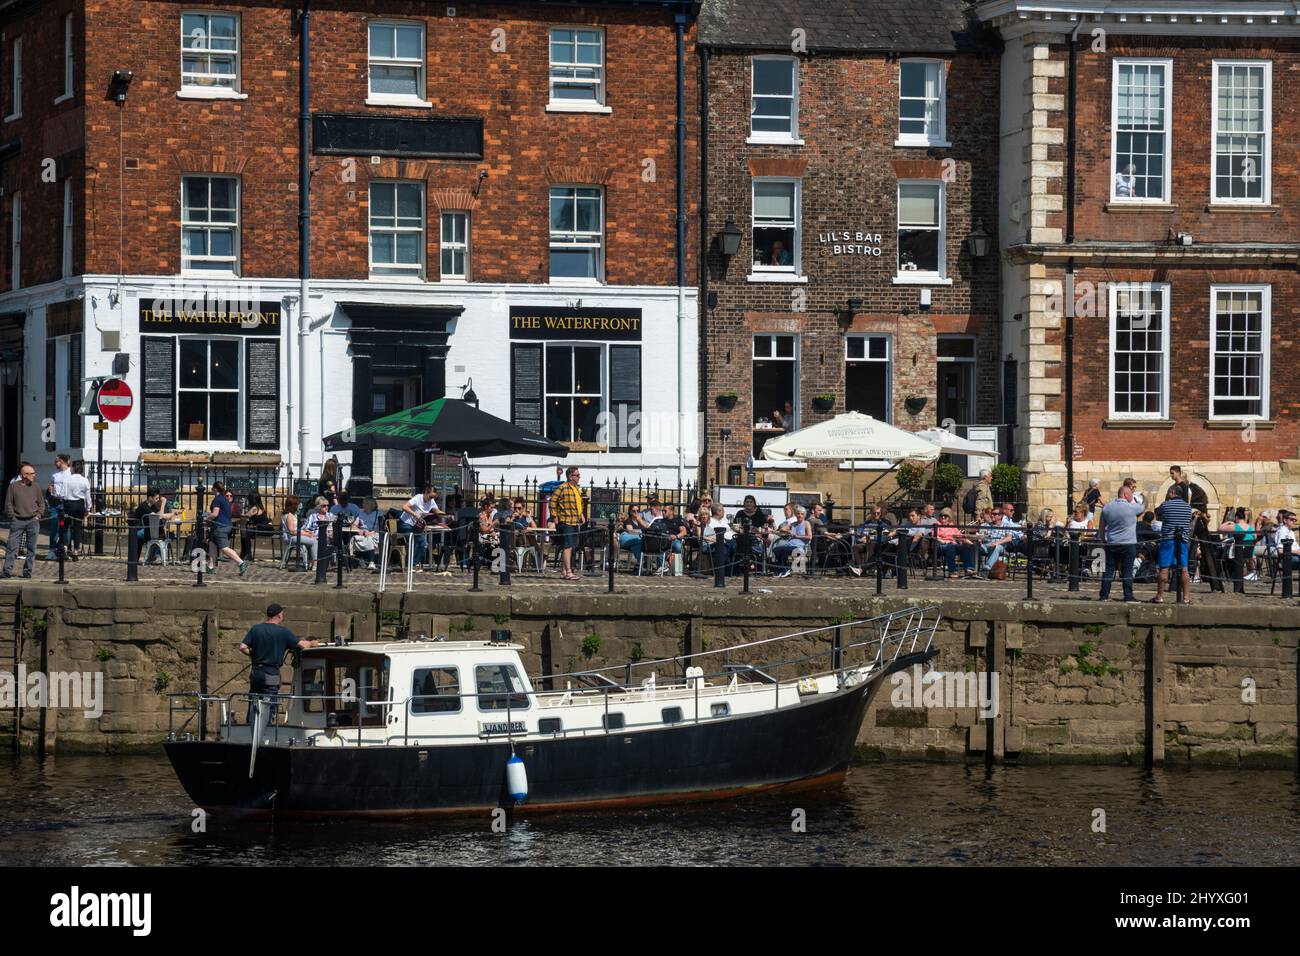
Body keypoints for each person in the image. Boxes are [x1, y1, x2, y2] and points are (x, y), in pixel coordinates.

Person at [237, 604, 321, 725]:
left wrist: (253, 656)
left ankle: (251, 725)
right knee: (270, 702)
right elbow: (302, 645)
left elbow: (242, 647)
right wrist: (312, 643)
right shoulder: (283, 632)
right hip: (271, 672)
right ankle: (268, 728)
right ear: (279, 615)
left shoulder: (256, 629)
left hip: (256, 671)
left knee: (254, 699)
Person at [1098, 483, 1144, 602]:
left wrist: (1103, 540)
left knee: (1108, 570)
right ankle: (1128, 596)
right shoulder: (1131, 507)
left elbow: (1102, 527)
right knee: (1127, 570)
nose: (1131, 497)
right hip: (1128, 544)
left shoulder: (1107, 507)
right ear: (1125, 494)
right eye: (1130, 494)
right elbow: (1144, 506)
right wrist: (1145, 497)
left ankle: (1104, 595)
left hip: (1112, 543)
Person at [3, 463, 44, 579]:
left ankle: (27, 571)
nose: (34, 475)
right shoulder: (13, 486)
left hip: (33, 520)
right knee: (12, 547)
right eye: (31, 473)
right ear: (24, 475)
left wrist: (38, 515)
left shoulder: (36, 486)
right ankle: (7, 571)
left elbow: (41, 503)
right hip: (17, 521)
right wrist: (13, 516)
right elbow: (8, 503)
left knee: (31, 548)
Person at [1154, 485, 1193, 604]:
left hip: (1168, 538)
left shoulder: (1165, 505)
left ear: (1172, 492)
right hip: (1183, 539)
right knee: (1184, 569)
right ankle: (1186, 597)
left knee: (1164, 568)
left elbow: (1158, 514)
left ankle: (1160, 596)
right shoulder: (1188, 507)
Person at [549, 466, 585, 580]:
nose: (579, 477)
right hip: (565, 521)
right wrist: (554, 516)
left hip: (574, 521)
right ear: (570, 476)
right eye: (577, 475)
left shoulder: (576, 489)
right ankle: (569, 572)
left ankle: (564, 571)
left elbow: (579, 503)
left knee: (571, 546)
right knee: (567, 546)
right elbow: (552, 501)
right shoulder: (562, 488)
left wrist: (581, 515)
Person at [400, 484, 443, 570]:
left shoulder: (431, 501)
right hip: (406, 524)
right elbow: (404, 507)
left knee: (424, 545)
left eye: (433, 497)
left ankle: (412, 564)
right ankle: (408, 564)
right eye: (431, 496)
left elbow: (437, 511)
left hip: (418, 526)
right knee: (414, 542)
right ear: (426, 492)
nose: (431, 499)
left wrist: (446, 515)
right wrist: (415, 514)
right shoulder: (417, 498)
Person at [207, 482, 247, 575]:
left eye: (212, 489)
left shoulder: (217, 499)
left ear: (215, 489)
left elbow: (215, 514)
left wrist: (206, 518)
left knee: (224, 548)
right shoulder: (224, 499)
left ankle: (241, 562)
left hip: (220, 526)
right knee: (212, 544)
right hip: (224, 525)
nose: (212, 490)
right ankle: (211, 567)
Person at [62, 461, 92, 559]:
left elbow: (63, 494)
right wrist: (88, 508)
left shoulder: (67, 479)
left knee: (65, 527)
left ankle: (65, 549)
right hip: (79, 505)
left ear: (73, 469)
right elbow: (88, 497)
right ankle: (75, 552)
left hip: (69, 504)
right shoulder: (85, 480)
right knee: (77, 528)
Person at [934, 508, 977, 578]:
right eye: (941, 515)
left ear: (949, 518)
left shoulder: (952, 526)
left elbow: (960, 536)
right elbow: (935, 536)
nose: (943, 517)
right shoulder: (936, 525)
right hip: (941, 545)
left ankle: (969, 569)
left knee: (965, 547)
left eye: (945, 516)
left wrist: (971, 544)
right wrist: (944, 541)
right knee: (951, 547)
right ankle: (952, 571)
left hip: (953, 544)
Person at [772, 505, 811, 578]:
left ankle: (785, 569)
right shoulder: (793, 524)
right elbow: (781, 529)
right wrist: (789, 531)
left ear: (804, 515)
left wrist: (797, 536)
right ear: (795, 514)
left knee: (784, 550)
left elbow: (809, 537)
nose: (800, 516)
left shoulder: (806, 523)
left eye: (802, 514)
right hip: (790, 544)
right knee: (777, 549)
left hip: (799, 546)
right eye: (798, 514)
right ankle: (781, 569)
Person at [45, 453, 72, 560]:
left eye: (57, 461)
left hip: (66, 502)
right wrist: (49, 489)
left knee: (66, 528)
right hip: (55, 503)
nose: (54, 463)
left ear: (63, 462)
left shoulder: (71, 473)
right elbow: (51, 486)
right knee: (54, 528)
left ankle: (64, 550)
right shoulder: (54, 474)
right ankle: (52, 550)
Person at [280, 495, 317, 569]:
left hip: (295, 536)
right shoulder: (289, 515)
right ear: (294, 505)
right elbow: (292, 531)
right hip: (292, 538)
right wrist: (306, 534)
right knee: (314, 541)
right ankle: (315, 563)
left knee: (313, 538)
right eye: (298, 504)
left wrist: (306, 532)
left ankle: (311, 562)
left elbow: (296, 529)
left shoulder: (293, 515)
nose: (300, 505)